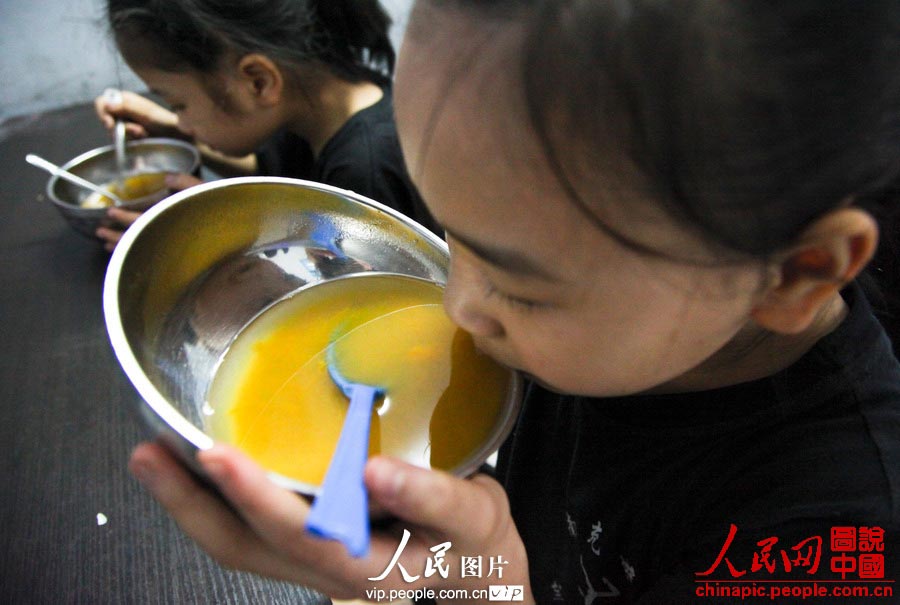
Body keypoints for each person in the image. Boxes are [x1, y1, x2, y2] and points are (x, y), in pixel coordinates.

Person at [126, 1, 900, 603]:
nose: (457, 304)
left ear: (796, 272)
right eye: (450, 235)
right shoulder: (626, 333)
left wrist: (485, 587)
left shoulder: (828, 544)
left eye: (519, 284)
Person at [93, 0, 437, 252]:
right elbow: (269, 170)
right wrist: (172, 130)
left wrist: (197, 243)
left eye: (178, 104)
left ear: (257, 82)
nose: (182, 119)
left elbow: (335, 288)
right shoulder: (313, 99)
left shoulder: (365, 174)